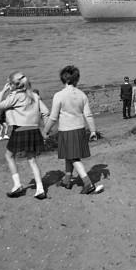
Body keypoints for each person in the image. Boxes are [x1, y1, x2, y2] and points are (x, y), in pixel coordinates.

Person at [43, 65, 104, 195]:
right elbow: (88, 115)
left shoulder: (59, 95)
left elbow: (53, 117)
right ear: (77, 79)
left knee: (73, 158)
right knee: (69, 156)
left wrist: (45, 131)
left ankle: (88, 183)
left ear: (62, 79)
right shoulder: (82, 95)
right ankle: (67, 180)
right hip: (80, 129)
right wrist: (93, 130)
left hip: (66, 130)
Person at [0, 71, 50, 199]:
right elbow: (46, 112)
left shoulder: (15, 96)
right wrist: (45, 129)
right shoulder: (34, 95)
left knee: (9, 155)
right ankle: (40, 189)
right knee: (32, 159)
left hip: (20, 130)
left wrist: (2, 92)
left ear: (12, 85)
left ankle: (17, 185)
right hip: (34, 130)